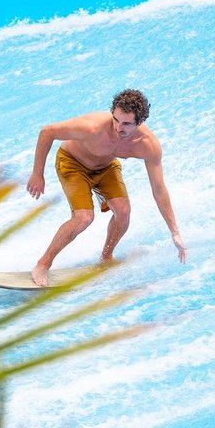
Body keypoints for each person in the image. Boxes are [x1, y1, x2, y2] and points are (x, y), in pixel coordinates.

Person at [26, 89, 187, 286]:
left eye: (126, 124)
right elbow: (47, 132)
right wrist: (37, 174)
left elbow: (159, 189)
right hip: (72, 163)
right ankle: (43, 264)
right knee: (84, 217)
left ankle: (106, 257)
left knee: (123, 212)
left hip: (106, 167)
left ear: (140, 122)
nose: (118, 128)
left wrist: (175, 232)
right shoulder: (92, 127)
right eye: (115, 120)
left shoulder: (148, 145)